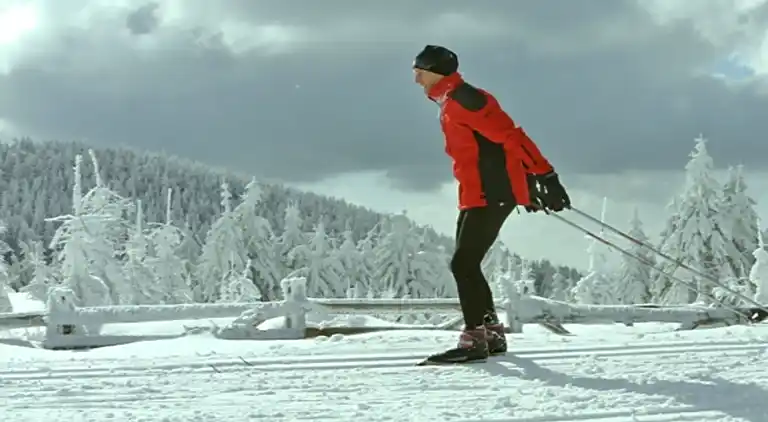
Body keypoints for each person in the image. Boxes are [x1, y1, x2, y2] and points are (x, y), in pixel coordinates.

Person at [413, 45, 572, 364]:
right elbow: (491, 150)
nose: (416, 78)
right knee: (466, 263)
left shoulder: (467, 100)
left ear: (436, 72)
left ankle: (475, 340)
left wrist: (545, 175)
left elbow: (512, 137)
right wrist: (525, 181)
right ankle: (490, 333)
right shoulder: (449, 101)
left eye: (420, 70)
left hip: (490, 194)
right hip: (477, 193)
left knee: (463, 264)